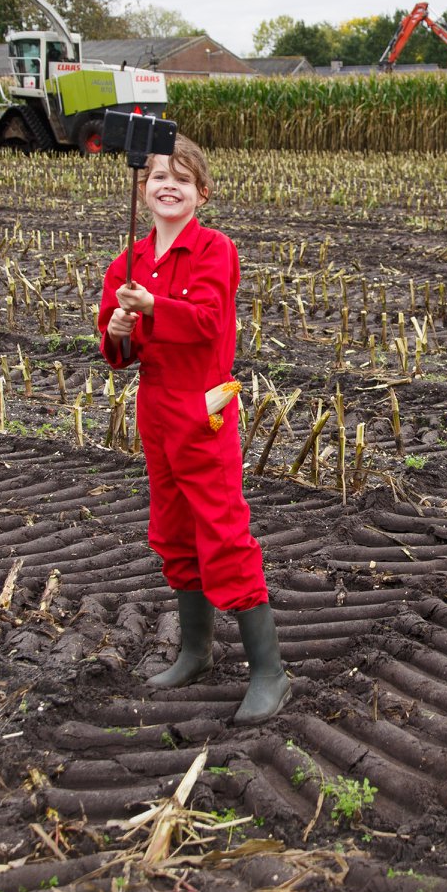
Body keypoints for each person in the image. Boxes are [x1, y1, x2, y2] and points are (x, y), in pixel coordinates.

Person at [98, 137, 290, 723]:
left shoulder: (215, 249)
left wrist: (153, 306)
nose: (168, 186)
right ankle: (196, 651)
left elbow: (208, 323)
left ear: (201, 192)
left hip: (205, 407)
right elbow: (116, 352)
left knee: (223, 533)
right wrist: (123, 325)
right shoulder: (127, 264)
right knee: (174, 530)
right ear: (142, 187)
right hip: (156, 408)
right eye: (158, 176)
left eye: (182, 178)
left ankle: (270, 673)